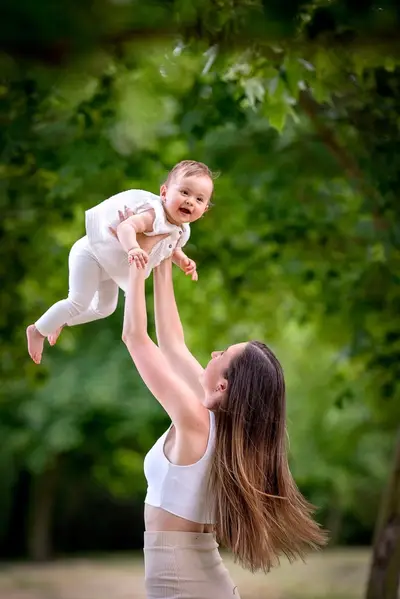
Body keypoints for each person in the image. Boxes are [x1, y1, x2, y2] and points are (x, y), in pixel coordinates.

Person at [122, 250, 327, 598]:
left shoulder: (197, 422)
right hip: (194, 575)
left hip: (182, 581)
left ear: (223, 386)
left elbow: (136, 338)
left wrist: (136, 264)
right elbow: (172, 343)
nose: (214, 354)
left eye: (223, 355)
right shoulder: (221, 426)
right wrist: (162, 257)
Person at [26, 160, 213, 364]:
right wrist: (133, 247)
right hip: (91, 254)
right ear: (164, 192)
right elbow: (126, 227)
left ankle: (59, 320)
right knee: (78, 301)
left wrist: (183, 260)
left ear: (204, 210)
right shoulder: (154, 214)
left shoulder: (182, 231)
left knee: (105, 308)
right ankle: (37, 331)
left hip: (109, 269)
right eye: (184, 193)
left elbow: (171, 248)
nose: (190, 201)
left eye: (199, 199)